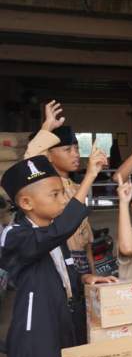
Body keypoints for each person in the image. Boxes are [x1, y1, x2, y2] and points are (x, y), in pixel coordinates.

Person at [1, 150, 115, 357]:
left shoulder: (52, 233)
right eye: (55, 194)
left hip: (60, 322)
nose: (64, 200)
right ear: (27, 203)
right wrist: (90, 176)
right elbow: (54, 235)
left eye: (64, 193)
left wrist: (85, 278)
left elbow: (64, 270)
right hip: (34, 334)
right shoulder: (15, 235)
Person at [24, 101, 97, 344]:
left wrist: (91, 273)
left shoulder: (76, 187)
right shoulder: (44, 187)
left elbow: (86, 241)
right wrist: (47, 126)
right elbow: (30, 161)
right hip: (57, 266)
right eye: (67, 149)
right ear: (48, 155)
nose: (75, 154)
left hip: (80, 268)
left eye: (76, 148)